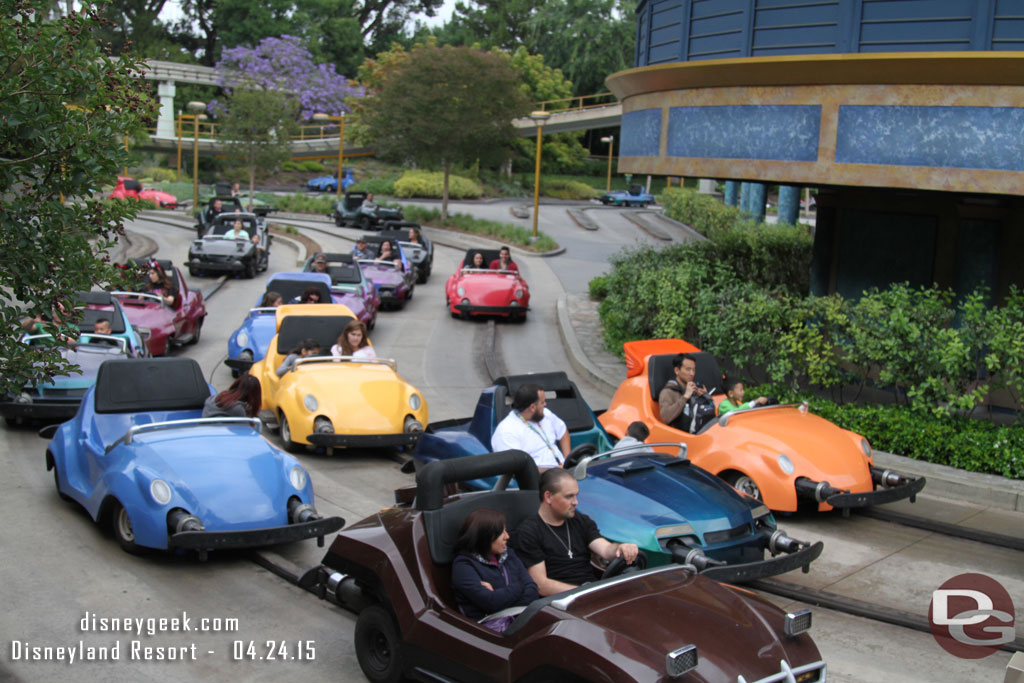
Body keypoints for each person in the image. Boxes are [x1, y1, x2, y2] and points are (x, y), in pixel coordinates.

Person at [512, 469, 639, 596]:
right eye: (569, 496)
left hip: (591, 592)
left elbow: (606, 550)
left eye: (576, 495)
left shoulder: (580, 521)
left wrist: (621, 548)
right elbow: (541, 585)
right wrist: (584, 592)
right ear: (548, 497)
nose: (575, 502)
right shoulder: (529, 532)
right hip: (559, 602)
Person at [451, 508, 538, 632]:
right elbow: (491, 603)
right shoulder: (463, 566)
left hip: (519, 616)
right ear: (486, 536)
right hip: (488, 630)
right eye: (502, 533)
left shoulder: (509, 555)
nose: (507, 537)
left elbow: (533, 591)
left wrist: (499, 594)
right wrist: (519, 586)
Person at [491, 384, 569, 470]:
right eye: (542, 402)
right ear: (532, 407)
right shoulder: (507, 430)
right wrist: (554, 470)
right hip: (539, 477)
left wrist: (567, 460)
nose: (545, 404)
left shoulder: (546, 414)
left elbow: (563, 431)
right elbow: (515, 469)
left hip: (562, 469)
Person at [658, 353, 715, 433]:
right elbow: (666, 417)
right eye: (688, 369)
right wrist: (685, 397)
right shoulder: (668, 392)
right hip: (678, 436)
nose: (692, 373)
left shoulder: (694, 390)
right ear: (677, 370)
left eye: (694, 370)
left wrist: (704, 397)